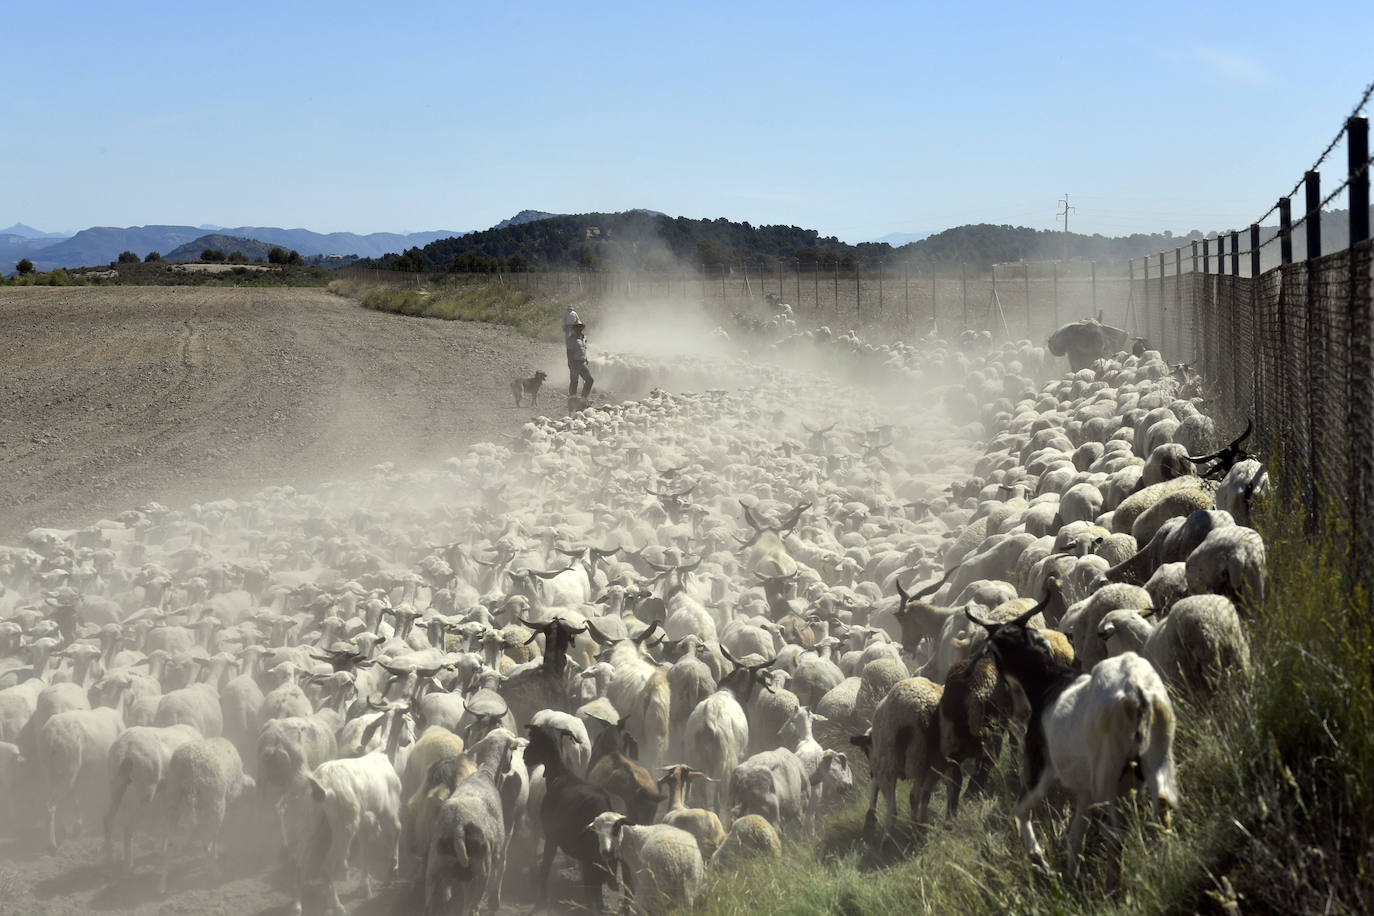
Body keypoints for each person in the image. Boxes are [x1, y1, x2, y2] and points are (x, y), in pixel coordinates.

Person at [567, 320, 593, 399]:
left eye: (580, 327)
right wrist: (571, 365)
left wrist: (586, 358)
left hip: (581, 363)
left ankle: (583, 398)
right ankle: (572, 399)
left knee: (589, 380)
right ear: (574, 328)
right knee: (574, 381)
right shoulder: (571, 339)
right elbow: (569, 353)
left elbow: (584, 349)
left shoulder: (584, 338)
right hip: (575, 362)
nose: (579, 329)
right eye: (577, 327)